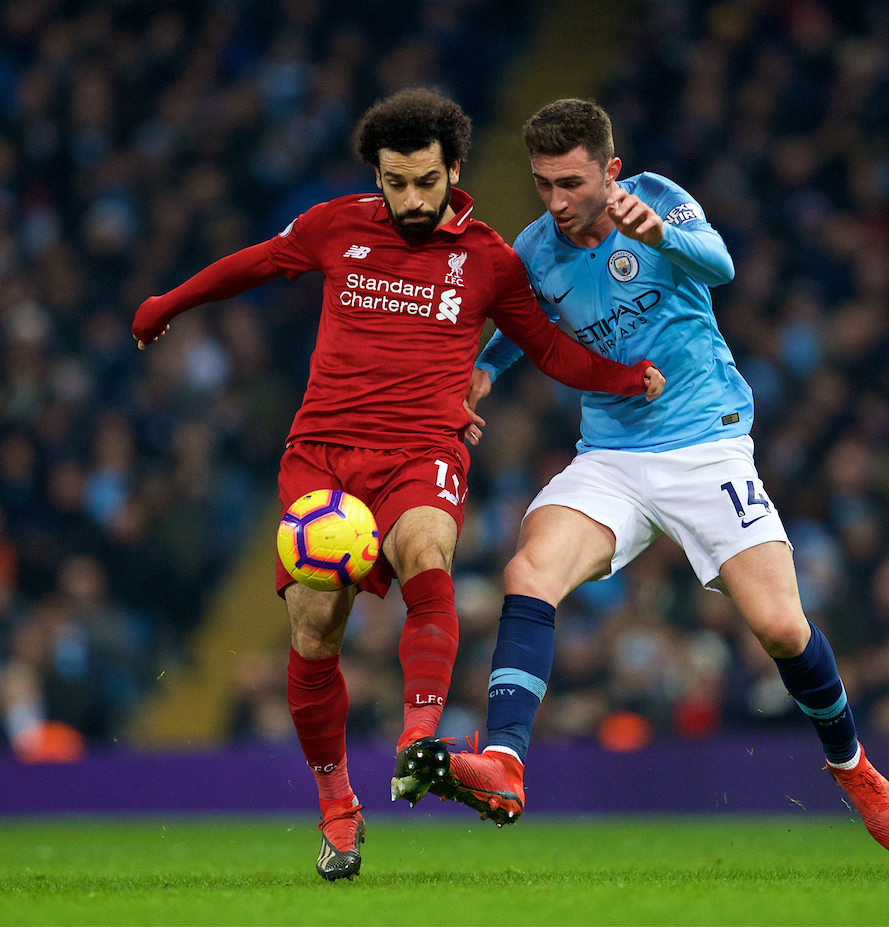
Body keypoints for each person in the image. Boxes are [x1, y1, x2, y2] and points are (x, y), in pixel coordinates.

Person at [131, 89, 666, 881]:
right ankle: (339, 809)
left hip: (421, 448)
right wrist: (166, 303)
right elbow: (253, 263)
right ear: (375, 176)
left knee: (428, 551)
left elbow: (548, 349)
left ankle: (420, 739)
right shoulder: (333, 226)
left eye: (425, 180)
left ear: (454, 169)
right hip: (322, 451)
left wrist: (623, 378)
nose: (411, 199)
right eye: (395, 182)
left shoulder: (489, 258)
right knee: (315, 631)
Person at [404, 99, 889, 853]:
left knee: (779, 626)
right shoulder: (536, 247)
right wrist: (482, 371)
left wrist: (658, 233)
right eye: (543, 184)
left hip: (705, 445)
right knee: (528, 570)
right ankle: (506, 762)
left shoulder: (658, 199)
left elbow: (722, 265)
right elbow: (523, 324)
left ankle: (851, 764)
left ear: (608, 172)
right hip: (609, 454)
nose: (555, 202)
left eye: (571, 183)